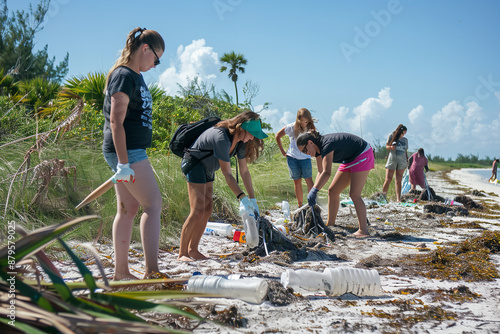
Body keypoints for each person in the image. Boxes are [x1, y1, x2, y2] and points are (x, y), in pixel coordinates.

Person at [102, 27, 164, 280]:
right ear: (145, 49)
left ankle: (121, 273)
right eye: (157, 58)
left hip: (129, 152)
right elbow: (116, 121)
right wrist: (124, 163)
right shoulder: (124, 75)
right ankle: (152, 271)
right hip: (128, 152)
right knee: (153, 204)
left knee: (128, 209)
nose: (156, 64)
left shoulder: (135, 75)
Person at [178, 110, 267, 261]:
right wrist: (242, 198)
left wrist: (253, 200)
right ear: (241, 129)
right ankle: (182, 254)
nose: (253, 137)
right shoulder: (222, 137)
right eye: (251, 133)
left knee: (207, 210)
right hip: (194, 163)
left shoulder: (240, 143)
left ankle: (193, 250)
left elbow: (244, 172)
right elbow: (227, 173)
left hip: (208, 167)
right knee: (197, 210)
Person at [297, 131, 375, 238]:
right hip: (349, 159)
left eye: (305, 150)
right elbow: (320, 172)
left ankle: (363, 230)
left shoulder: (326, 145)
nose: (306, 153)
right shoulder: (318, 150)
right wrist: (313, 190)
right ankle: (331, 223)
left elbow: (327, 172)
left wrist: (314, 191)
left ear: (310, 142)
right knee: (333, 191)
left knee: (354, 194)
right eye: (303, 152)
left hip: (362, 153)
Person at [275, 108, 321, 207]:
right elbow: (277, 136)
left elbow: (317, 143)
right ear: (298, 119)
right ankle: (300, 205)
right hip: (292, 158)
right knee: (297, 181)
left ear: (309, 120)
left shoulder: (311, 129)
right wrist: (283, 151)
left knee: (309, 181)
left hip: (305, 158)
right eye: (301, 121)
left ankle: (312, 204)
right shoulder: (292, 127)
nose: (304, 124)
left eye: (306, 121)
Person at [381, 124, 408, 202]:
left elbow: (405, 151)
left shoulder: (405, 140)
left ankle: (398, 199)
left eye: (404, 134)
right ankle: (383, 197)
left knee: (398, 180)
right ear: (399, 132)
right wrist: (391, 147)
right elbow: (387, 146)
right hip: (392, 159)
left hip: (402, 161)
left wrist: (406, 161)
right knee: (388, 179)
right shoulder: (391, 136)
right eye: (402, 133)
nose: (403, 135)